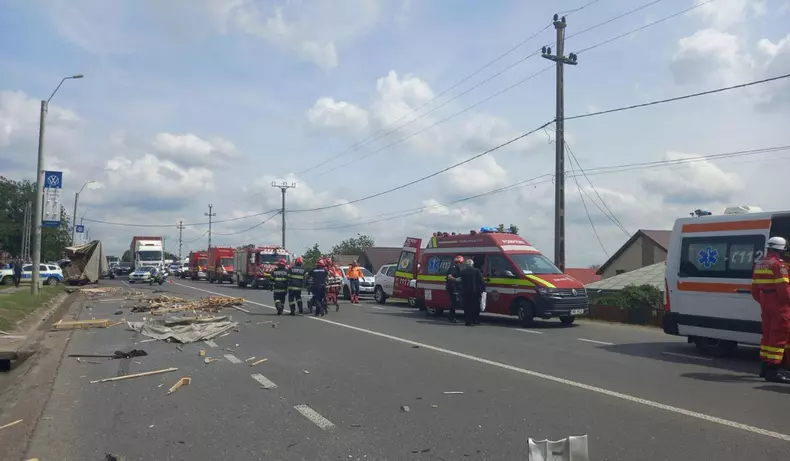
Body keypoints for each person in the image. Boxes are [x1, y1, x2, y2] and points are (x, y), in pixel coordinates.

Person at [751, 236, 790, 383]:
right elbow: (784, 290)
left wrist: (764, 301)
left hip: (765, 302)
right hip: (779, 304)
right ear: (781, 250)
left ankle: (764, 368)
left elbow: (755, 289)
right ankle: (773, 372)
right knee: (778, 337)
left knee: (767, 336)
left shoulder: (760, 264)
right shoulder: (779, 265)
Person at [458, 258, 486, 326]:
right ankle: (475, 320)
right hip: (475, 292)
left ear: (466, 265)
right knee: (475, 306)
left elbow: (459, 281)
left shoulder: (462, 271)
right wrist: (483, 288)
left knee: (466, 307)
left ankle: (468, 321)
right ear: (472, 264)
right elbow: (482, 281)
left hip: (465, 292)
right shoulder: (477, 271)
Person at [445, 255, 464, 323]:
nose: (460, 264)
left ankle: (451, 316)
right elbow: (449, 276)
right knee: (453, 302)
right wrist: (456, 279)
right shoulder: (453, 268)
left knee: (454, 302)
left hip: (454, 287)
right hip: (452, 287)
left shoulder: (456, 267)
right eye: (460, 263)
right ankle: (451, 317)